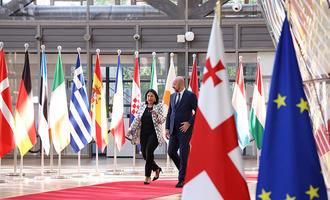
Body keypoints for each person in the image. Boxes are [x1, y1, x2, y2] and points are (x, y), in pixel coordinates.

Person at [127, 89, 165, 184]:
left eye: (152, 96)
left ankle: (147, 176)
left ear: (155, 97)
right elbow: (137, 119)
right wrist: (130, 129)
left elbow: (162, 120)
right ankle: (156, 168)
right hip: (143, 133)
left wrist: (156, 115)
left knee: (149, 153)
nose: (150, 98)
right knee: (144, 154)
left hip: (154, 134)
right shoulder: (142, 106)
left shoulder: (159, 106)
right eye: (148, 96)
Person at [165, 76, 197, 188]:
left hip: (185, 130)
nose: (173, 86)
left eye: (174, 84)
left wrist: (189, 123)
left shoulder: (191, 96)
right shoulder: (172, 96)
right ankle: (186, 172)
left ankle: (182, 179)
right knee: (171, 151)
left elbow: (198, 112)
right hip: (173, 129)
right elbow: (170, 113)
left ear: (180, 84)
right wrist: (167, 128)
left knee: (183, 153)